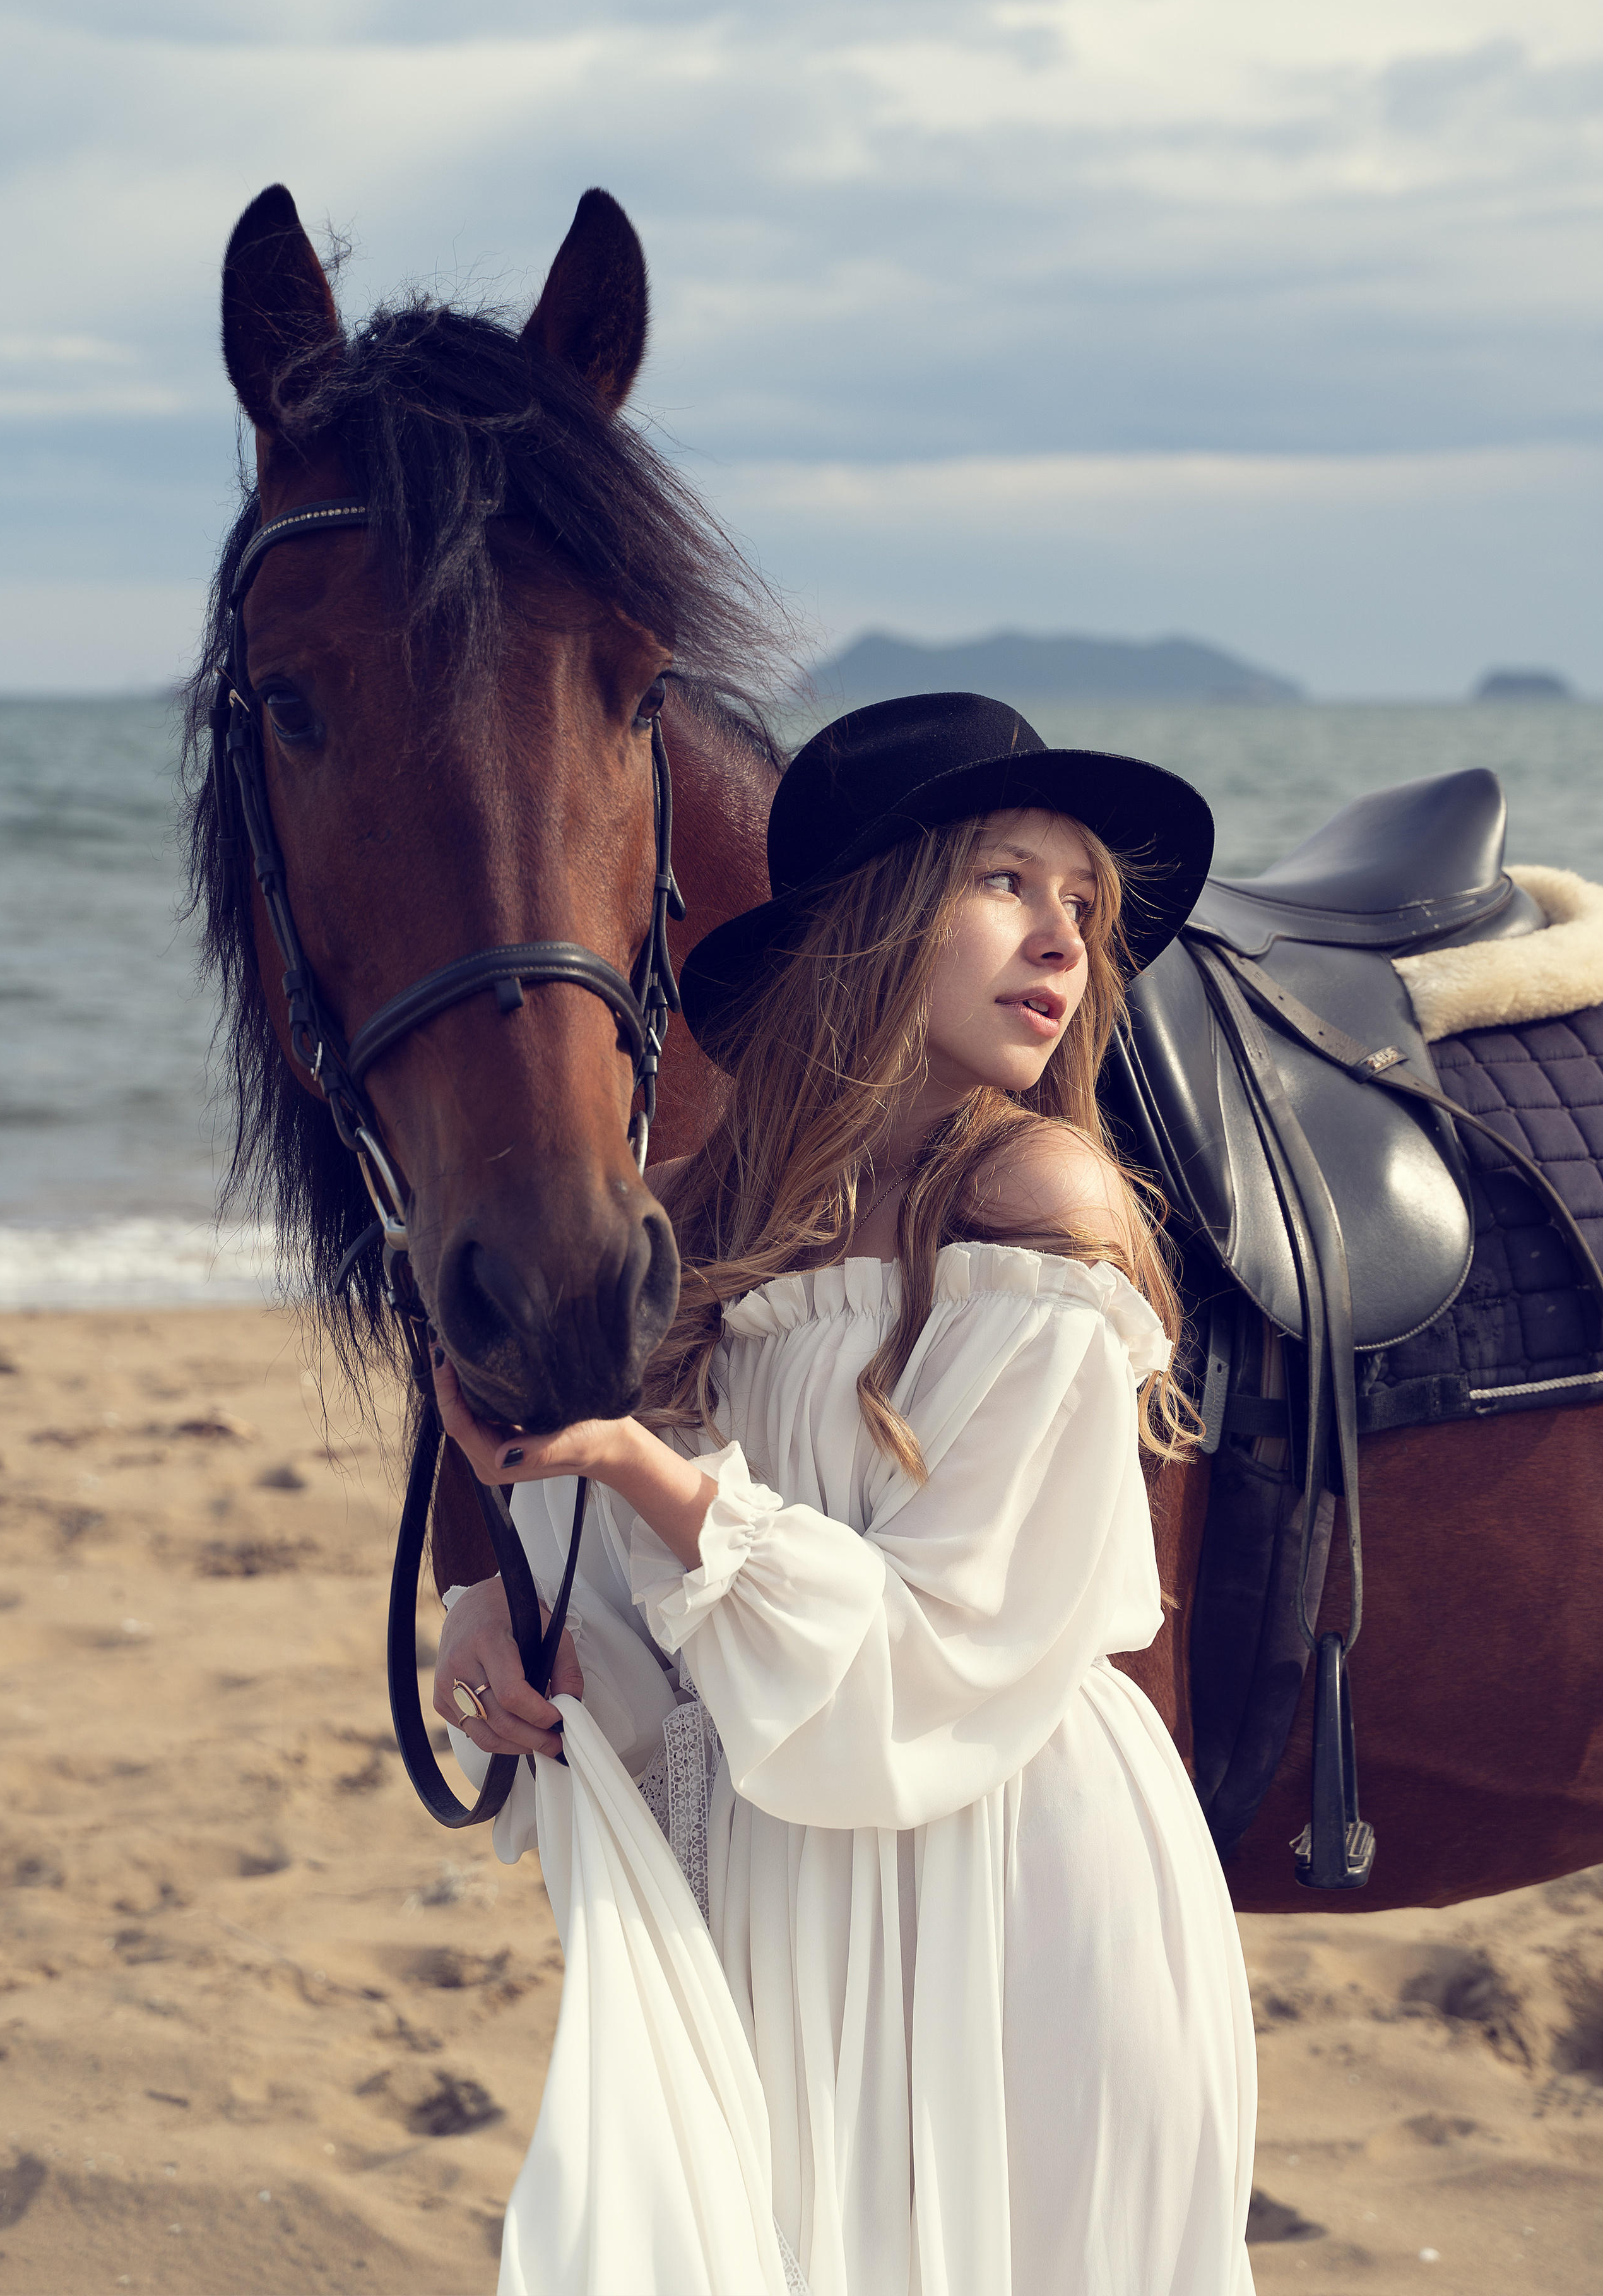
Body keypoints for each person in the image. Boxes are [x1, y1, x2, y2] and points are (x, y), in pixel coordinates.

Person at [430, 694, 1257, 2295]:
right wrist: (498, 1602)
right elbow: (633, 1601)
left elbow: (937, 1639)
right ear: (874, 923)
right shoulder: (700, 1217)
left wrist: (635, 1467)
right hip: (773, 1862)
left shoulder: (1034, 1200)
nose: (1062, 940)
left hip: (1005, 1861)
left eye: (1082, 905)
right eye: (1005, 883)